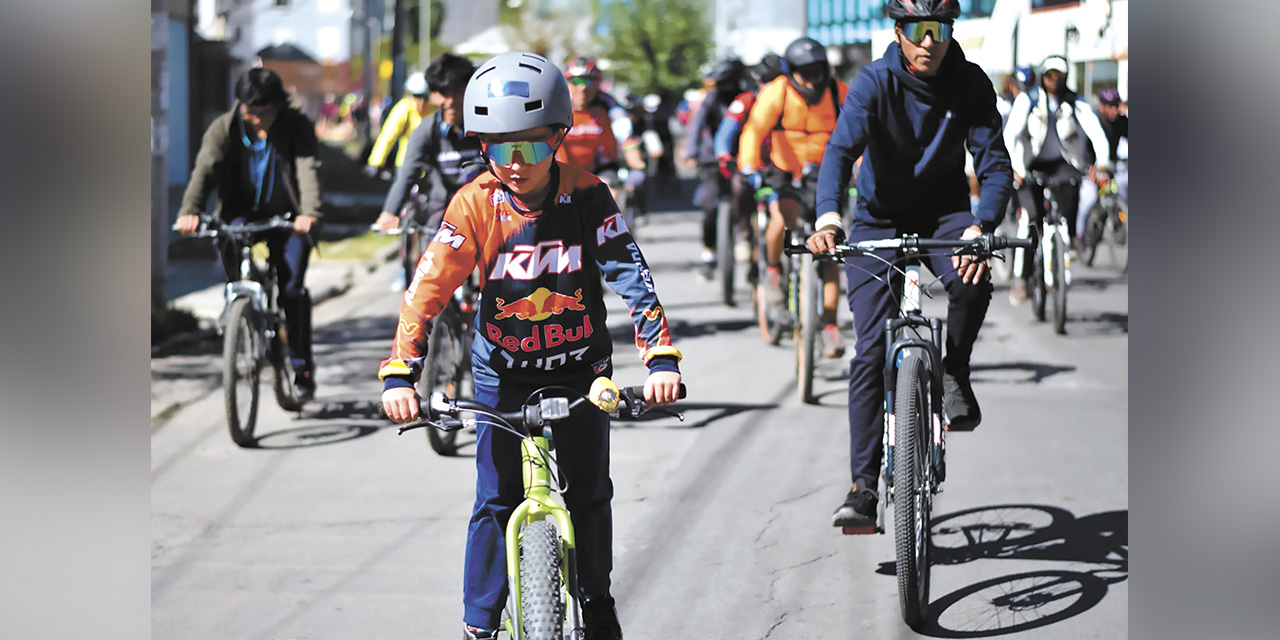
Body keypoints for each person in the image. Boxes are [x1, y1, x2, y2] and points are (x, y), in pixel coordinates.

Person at [377, 51, 683, 640]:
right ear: (480, 146)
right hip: (502, 372)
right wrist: (400, 373)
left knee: (591, 492)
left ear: (560, 137)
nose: (517, 164)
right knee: (494, 501)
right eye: (499, 147)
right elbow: (428, 290)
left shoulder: (589, 195)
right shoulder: (473, 203)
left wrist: (660, 357)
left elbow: (631, 275)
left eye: (534, 147)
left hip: (582, 371)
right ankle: (480, 624)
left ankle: (596, 601)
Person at [806, 0, 1016, 532]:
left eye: (939, 30)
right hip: (877, 220)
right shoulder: (873, 83)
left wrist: (981, 226)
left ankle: (954, 372)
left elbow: (994, 165)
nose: (929, 42)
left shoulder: (970, 83)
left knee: (974, 278)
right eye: (918, 30)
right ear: (898, 31)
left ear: (950, 31)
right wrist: (829, 219)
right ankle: (862, 487)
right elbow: (838, 153)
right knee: (870, 351)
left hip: (947, 216)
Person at [174, 67, 321, 399]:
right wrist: (189, 211)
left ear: (278, 106)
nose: (255, 120)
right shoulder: (224, 129)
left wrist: (310, 214)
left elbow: (307, 170)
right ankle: (246, 304)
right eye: (248, 112)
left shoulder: (296, 127)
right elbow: (204, 171)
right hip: (240, 214)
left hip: (289, 218)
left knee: (292, 289)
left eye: (263, 114)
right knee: (228, 242)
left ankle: (301, 367)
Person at [738, 36, 849, 358]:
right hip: (784, 171)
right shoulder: (778, 91)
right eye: (805, 72)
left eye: (818, 71)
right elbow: (755, 130)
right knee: (781, 216)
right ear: (792, 71)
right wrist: (748, 164)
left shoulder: (838, 92)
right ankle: (773, 269)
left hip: (825, 176)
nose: (813, 79)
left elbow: (859, 133)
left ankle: (829, 326)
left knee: (831, 247)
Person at [1003, 54, 1111, 302]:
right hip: (1031, 166)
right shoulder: (1028, 100)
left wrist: (1102, 164)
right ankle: (1022, 277)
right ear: (1043, 76)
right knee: (1030, 221)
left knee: (1072, 204)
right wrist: (1015, 168)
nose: (1054, 80)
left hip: (1064, 166)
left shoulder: (1075, 102)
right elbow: (1010, 135)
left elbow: (1096, 131)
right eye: (1050, 75)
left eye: (1059, 76)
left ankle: (1068, 242)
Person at [373, 54, 485, 288]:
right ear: (433, 95)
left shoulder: (486, 125)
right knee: (431, 273)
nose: (451, 101)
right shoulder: (427, 130)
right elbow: (408, 173)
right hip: (443, 206)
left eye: (458, 92)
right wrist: (390, 212)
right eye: (443, 94)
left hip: (484, 205)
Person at [714, 53, 786, 286]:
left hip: (781, 167)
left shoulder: (791, 101)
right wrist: (725, 156)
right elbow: (724, 134)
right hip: (750, 166)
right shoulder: (745, 101)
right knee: (739, 185)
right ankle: (744, 233)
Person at [683, 57, 747, 280]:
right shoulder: (712, 98)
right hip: (712, 158)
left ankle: (745, 239)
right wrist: (691, 150)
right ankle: (708, 251)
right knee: (710, 206)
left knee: (744, 196)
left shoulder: (747, 97)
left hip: (742, 156)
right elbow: (696, 125)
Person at [1075, 86, 1128, 244]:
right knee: (1089, 199)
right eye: (1110, 106)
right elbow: (1082, 148)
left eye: (1116, 106)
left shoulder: (1120, 122)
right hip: (1090, 168)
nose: (1114, 111)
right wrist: (1089, 168)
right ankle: (1078, 235)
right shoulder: (1092, 120)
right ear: (1101, 106)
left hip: (1110, 167)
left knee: (1119, 191)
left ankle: (1112, 219)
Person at [365, 71, 432, 177]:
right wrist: (376, 162)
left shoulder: (435, 110)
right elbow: (388, 134)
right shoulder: (404, 108)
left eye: (425, 97)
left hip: (431, 167)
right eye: (417, 97)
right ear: (409, 95)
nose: (421, 102)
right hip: (406, 165)